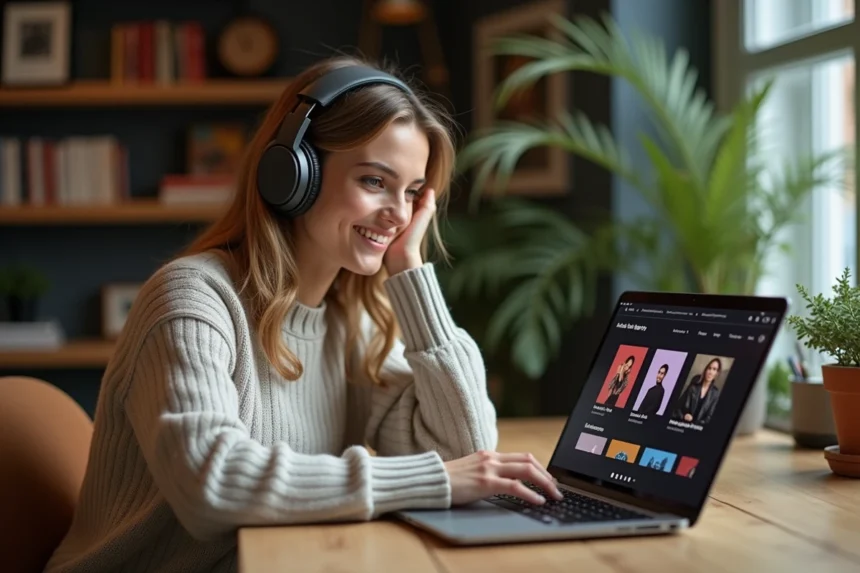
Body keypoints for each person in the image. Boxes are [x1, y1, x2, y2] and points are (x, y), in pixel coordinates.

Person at [45, 56, 562, 573]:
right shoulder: (193, 300)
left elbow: (465, 447)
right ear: (293, 175)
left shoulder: (355, 323)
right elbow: (212, 484)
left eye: (410, 193)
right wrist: (435, 480)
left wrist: (410, 269)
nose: (399, 215)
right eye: (374, 181)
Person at [672, 358, 723, 424]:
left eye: (714, 369)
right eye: (709, 368)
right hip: (684, 424)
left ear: (717, 373)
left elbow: (709, 417)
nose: (710, 372)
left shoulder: (716, 394)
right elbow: (677, 407)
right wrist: (684, 416)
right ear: (705, 370)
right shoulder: (693, 386)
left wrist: (698, 424)